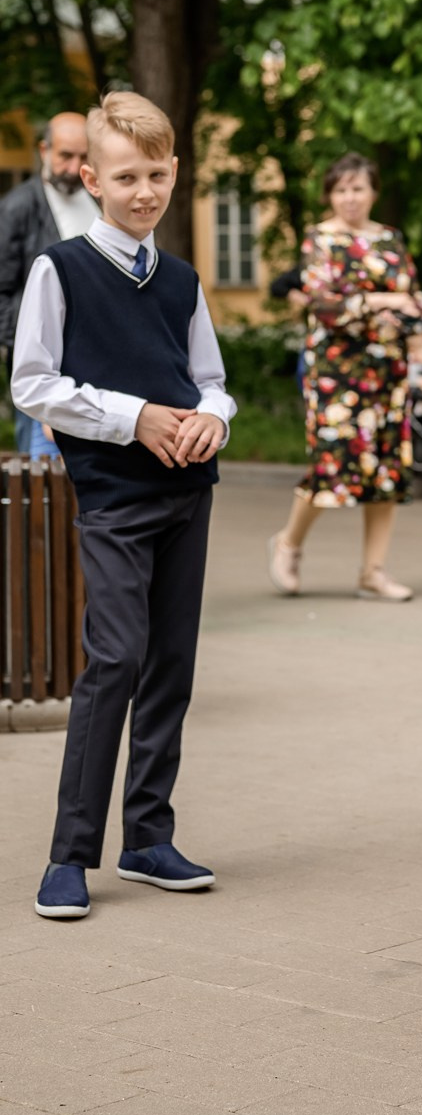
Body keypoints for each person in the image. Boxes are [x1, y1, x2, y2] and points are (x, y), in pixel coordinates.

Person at [11, 91, 236, 921]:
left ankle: (147, 836)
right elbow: (34, 385)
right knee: (117, 661)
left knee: (172, 665)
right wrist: (133, 418)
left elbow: (209, 381)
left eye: (156, 174)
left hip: (188, 493)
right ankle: (70, 854)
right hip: (112, 498)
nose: (144, 191)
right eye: (126, 176)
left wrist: (212, 420)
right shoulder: (59, 269)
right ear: (89, 177)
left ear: (174, 172)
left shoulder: (181, 280)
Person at [267, 152, 422, 602]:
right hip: (335, 372)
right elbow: (323, 306)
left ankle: (372, 573)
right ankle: (288, 542)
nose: (350, 198)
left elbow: (416, 302)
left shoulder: (391, 239)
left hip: (387, 369)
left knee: (385, 468)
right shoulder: (319, 239)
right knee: (332, 462)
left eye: (357, 188)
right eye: (340, 190)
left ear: (373, 191)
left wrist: (395, 307)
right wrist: (382, 303)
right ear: (330, 195)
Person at [0, 111, 96, 456]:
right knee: (43, 479)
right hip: (42, 376)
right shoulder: (17, 208)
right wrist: (38, 347)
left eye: (84, 157)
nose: (74, 168)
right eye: (65, 156)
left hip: (96, 369)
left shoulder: (99, 201)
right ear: (44, 150)